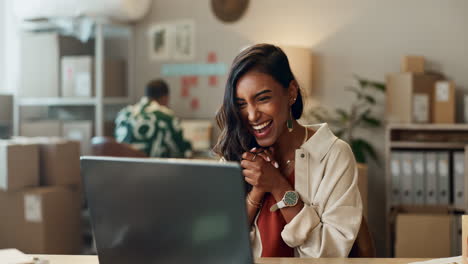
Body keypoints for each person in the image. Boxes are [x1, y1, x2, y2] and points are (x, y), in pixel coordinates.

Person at [213, 44, 362, 258]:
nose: (252, 115)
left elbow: (330, 255)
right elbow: (220, 244)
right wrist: (257, 191)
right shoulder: (235, 151)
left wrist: (278, 186)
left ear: (291, 92)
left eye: (263, 98)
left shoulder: (333, 154)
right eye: (241, 104)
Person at [115, 79, 192, 158]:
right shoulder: (166, 116)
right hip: (155, 168)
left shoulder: (124, 114)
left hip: (124, 167)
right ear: (165, 97)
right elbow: (181, 149)